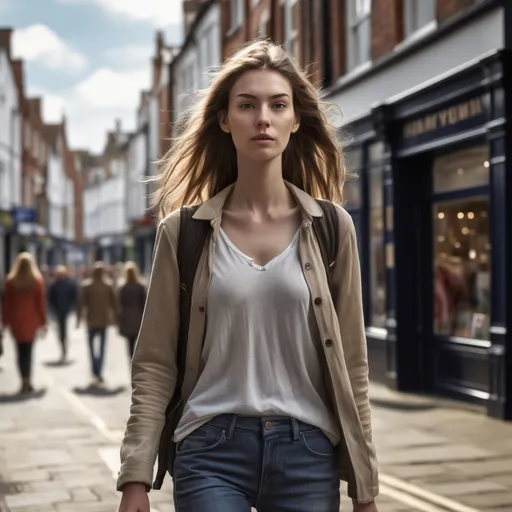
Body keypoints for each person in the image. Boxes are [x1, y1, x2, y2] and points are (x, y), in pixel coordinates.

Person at [117, 40, 379, 512]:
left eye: (278, 105)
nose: (263, 117)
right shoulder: (183, 233)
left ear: (295, 120)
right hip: (210, 451)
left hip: (308, 453)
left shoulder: (332, 228)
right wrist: (136, 475)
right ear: (224, 119)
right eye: (246, 104)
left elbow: (353, 367)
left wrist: (365, 488)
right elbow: (154, 363)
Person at [0, 252, 47, 393]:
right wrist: (43, 322)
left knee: (19, 351)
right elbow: (40, 304)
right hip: (31, 321)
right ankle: (28, 380)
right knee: (29, 351)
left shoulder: (11, 281)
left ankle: (23, 380)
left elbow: (7, 305)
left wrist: (4, 322)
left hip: (16, 321)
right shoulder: (37, 280)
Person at [76, 261, 117, 384]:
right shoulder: (108, 285)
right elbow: (114, 304)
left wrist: (78, 319)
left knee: (92, 347)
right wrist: (116, 319)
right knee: (102, 347)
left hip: (91, 320)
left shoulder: (87, 285)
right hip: (103, 320)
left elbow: (80, 304)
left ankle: (95, 368)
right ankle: (98, 370)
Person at [117, 261, 146, 360]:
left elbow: (119, 303)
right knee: (138, 341)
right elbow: (144, 303)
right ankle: (136, 359)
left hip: (126, 317)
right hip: (138, 317)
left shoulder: (122, 287)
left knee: (130, 342)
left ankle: (131, 359)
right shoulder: (140, 287)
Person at [48, 265, 78, 362]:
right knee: (61, 330)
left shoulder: (70, 284)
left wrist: (72, 308)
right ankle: (63, 346)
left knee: (63, 330)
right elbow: (50, 299)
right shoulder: (54, 285)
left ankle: (64, 346)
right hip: (58, 311)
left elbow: (74, 296)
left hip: (66, 310)